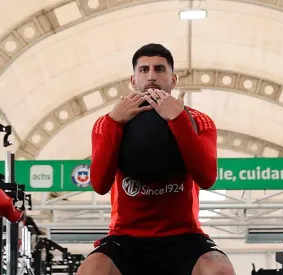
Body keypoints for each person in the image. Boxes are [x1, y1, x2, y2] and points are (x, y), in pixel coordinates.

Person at [77, 44, 236, 275]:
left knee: (219, 269)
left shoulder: (198, 120)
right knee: (91, 271)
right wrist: (115, 123)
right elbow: (100, 185)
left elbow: (207, 177)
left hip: (184, 236)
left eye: (159, 69)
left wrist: (178, 119)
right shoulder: (107, 123)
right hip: (126, 238)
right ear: (133, 79)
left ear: (173, 79)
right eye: (144, 70)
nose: (151, 76)